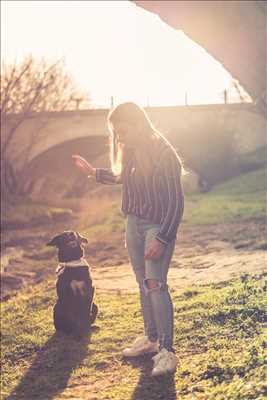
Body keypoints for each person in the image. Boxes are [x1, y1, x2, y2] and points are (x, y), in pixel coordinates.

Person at [72, 102, 184, 377]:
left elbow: (176, 203)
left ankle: (167, 352)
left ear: (138, 125)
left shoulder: (164, 153)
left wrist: (163, 237)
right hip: (132, 223)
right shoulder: (133, 151)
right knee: (142, 282)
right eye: (116, 133)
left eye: (122, 131)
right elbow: (124, 177)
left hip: (156, 227)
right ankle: (151, 339)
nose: (119, 137)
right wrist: (93, 173)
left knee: (155, 283)